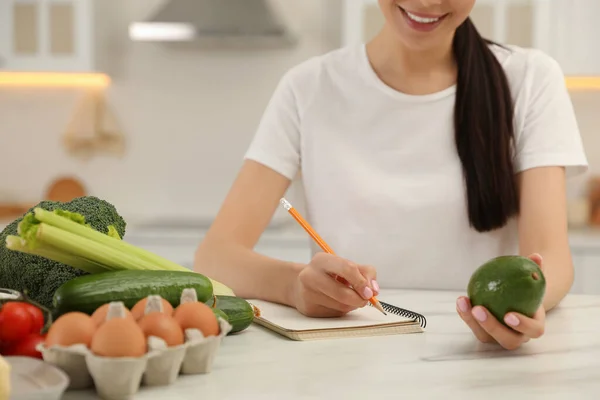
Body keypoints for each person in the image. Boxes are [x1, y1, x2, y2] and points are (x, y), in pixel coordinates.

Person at [194, 0, 588, 350]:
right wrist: (294, 285)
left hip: (476, 353)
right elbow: (216, 257)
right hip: (344, 354)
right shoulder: (307, 87)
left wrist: (525, 306)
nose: (428, 2)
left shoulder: (532, 78)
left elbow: (551, 258)